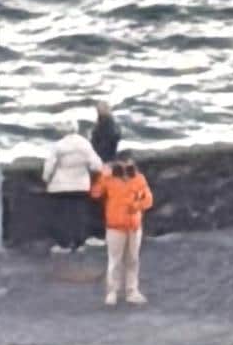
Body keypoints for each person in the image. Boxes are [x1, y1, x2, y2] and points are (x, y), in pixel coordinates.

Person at [94, 140, 155, 306]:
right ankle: (112, 291)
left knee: (132, 259)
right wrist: (102, 176)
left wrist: (135, 206)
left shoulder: (139, 179)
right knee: (115, 260)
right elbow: (95, 193)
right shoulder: (108, 179)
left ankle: (131, 291)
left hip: (133, 226)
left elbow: (148, 200)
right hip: (115, 226)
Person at [42, 120, 98, 259]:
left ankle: (64, 244)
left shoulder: (59, 146)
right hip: (81, 186)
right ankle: (80, 244)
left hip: (60, 187)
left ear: (63, 131)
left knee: (62, 216)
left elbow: (49, 166)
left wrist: (46, 178)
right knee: (79, 215)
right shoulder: (85, 144)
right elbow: (96, 165)